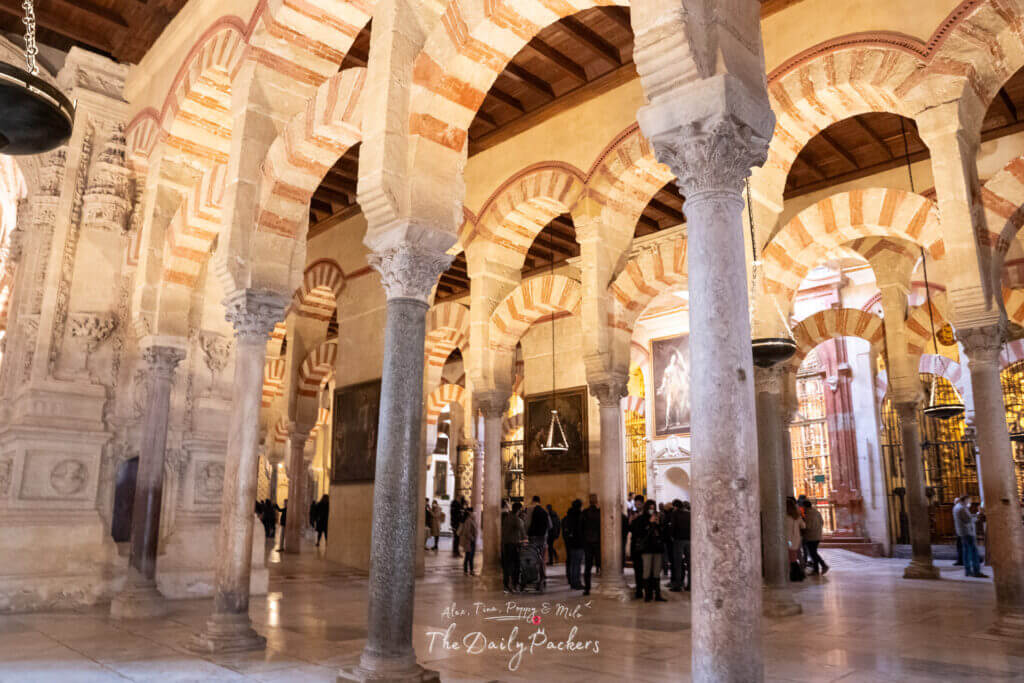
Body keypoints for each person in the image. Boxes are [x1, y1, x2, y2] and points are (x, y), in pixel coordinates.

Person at [634, 500, 667, 602]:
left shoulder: (657, 518)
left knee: (656, 572)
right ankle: (648, 595)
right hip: (647, 549)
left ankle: (657, 595)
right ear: (646, 508)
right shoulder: (641, 519)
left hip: (657, 549)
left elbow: (661, 534)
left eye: (653, 508)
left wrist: (658, 524)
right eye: (650, 508)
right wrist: (649, 523)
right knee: (647, 571)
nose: (652, 510)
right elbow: (639, 533)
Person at [954, 494, 987, 578]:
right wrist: (978, 516)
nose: (970, 502)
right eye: (969, 500)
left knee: (966, 552)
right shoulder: (962, 508)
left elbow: (967, 517)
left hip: (963, 532)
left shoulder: (957, 507)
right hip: (968, 532)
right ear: (965, 500)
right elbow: (968, 520)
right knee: (974, 552)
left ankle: (968, 571)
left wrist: (975, 515)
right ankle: (976, 571)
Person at [501, 501, 526, 592]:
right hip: (513, 545)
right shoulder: (516, 519)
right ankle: (514, 584)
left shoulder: (507, 518)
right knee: (516, 565)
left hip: (506, 544)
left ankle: (506, 584)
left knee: (507, 565)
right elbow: (522, 531)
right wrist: (525, 539)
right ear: (519, 510)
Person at [801, 499, 828, 575]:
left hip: (810, 536)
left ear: (804, 506)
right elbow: (822, 522)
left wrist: (802, 529)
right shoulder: (817, 512)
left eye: (802, 506)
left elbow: (807, 527)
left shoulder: (808, 515)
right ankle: (818, 569)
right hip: (817, 535)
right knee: (813, 552)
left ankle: (822, 566)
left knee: (813, 553)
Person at [668, 499, 691, 592]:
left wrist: (671, 536)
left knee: (678, 563)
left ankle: (678, 585)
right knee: (690, 564)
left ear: (675, 506)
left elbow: (672, 526)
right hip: (689, 540)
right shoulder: (689, 513)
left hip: (678, 540)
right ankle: (690, 585)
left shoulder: (675, 513)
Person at [562, 499, 585, 589]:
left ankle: (572, 581)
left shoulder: (567, 517)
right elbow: (581, 530)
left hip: (570, 543)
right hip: (578, 542)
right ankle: (576, 582)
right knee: (577, 563)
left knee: (572, 562)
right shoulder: (580, 516)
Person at [581, 494, 601, 595]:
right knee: (601, 565)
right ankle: (603, 585)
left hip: (588, 542)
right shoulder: (600, 513)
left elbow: (581, 528)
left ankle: (587, 588)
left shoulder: (584, 513)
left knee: (588, 567)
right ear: (596, 501)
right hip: (598, 542)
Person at [526, 496, 550, 580]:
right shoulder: (544, 511)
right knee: (542, 557)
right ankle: (542, 574)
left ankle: (534, 576)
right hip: (543, 537)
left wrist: (527, 534)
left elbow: (527, 523)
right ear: (539, 501)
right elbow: (549, 525)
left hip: (532, 537)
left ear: (533, 501)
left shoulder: (529, 510)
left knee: (533, 556)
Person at [628, 495, 646, 599]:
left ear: (643, 504)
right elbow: (631, 529)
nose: (637, 506)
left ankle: (644, 587)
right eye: (636, 504)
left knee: (644, 568)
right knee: (637, 568)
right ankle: (639, 589)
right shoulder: (634, 514)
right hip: (635, 545)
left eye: (639, 504)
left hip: (645, 546)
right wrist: (631, 520)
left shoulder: (646, 515)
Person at [786, 497, 806, 582]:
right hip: (796, 540)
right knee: (793, 557)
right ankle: (797, 575)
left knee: (791, 559)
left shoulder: (785, 517)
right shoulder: (797, 517)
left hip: (789, 540)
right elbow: (804, 526)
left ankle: (797, 575)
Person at [458, 507, 477, 575]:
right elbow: (467, 532)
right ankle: (467, 570)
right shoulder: (468, 520)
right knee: (469, 556)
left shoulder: (471, 520)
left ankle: (469, 570)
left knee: (470, 556)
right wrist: (472, 538)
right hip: (469, 541)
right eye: (473, 512)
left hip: (471, 541)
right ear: (470, 513)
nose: (474, 513)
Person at [952, 496, 964, 566]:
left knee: (961, 546)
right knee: (961, 546)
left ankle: (961, 560)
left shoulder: (958, 508)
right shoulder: (959, 508)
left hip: (961, 530)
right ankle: (961, 560)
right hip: (960, 530)